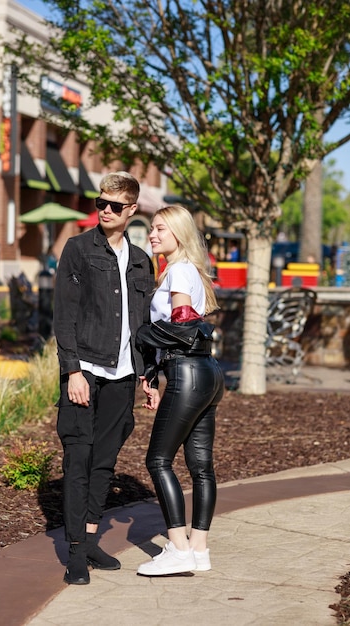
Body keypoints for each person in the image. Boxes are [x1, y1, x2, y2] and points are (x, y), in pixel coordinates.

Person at [53, 171, 155, 585]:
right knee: (78, 458)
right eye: (101, 203)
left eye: (115, 206)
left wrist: (148, 375)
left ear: (132, 209)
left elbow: (143, 324)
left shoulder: (140, 260)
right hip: (86, 371)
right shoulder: (78, 249)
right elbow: (65, 313)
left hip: (125, 374)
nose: (106, 211)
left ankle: (92, 538)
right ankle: (76, 552)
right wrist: (73, 370)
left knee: (103, 463)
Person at [136, 204, 225, 576]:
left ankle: (178, 547)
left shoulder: (180, 271)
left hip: (187, 372)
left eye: (159, 229)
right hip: (208, 374)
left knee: (157, 460)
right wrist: (154, 374)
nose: (152, 234)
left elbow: (182, 325)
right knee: (201, 467)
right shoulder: (191, 271)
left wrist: (139, 336)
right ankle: (199, 549)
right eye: (152, 229)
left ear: (178, 234)